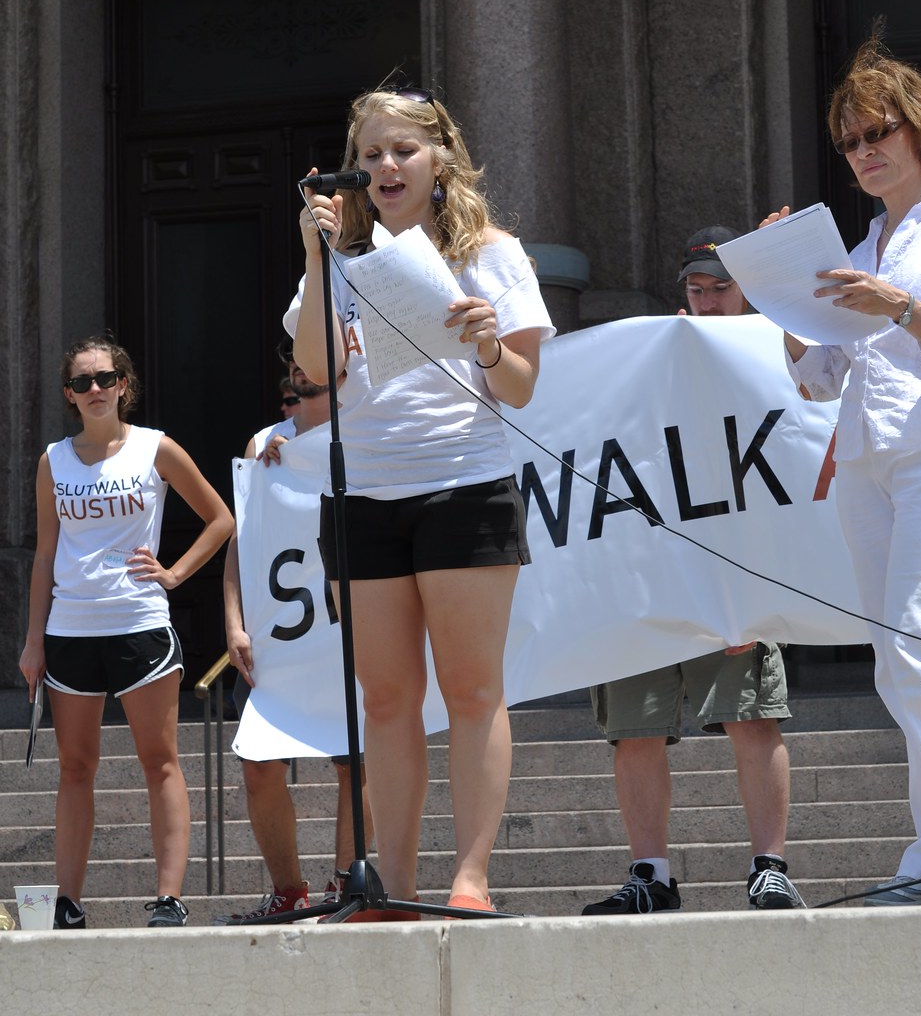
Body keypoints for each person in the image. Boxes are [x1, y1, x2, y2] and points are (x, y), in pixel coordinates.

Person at [286, 86, 554, 919]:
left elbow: (520, 388)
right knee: (387, 699)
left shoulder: (490, 253)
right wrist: (315, 259)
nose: (384, 166)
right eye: (369, 154)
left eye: (401, 149)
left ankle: (469, 878)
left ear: (440, 159)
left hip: (464, 486)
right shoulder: (345, 260)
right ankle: (392, 887)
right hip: (363, 493)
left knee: (472, 691)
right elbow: (319, 372)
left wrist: (483, 343)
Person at [581, 229, 800, 916]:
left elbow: (781, 471)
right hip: (646, 570)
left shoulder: (773, 353)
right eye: (695, 287)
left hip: (733, 568)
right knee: (634, 724)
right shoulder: (651, 348)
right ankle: (650, 874)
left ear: (746, 293)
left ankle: (769, 867)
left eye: (720, 286)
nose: (705, 299)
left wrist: (755, 586)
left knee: (752, 717)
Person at [776, 34, 921, 906]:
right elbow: (818, 376)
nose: (865, 153)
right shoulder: (863, 244)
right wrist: (787, 302)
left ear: (915, 131)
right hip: (869, 458)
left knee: (912, 644)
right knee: (895, 659)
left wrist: (901, 305)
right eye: (850, 142)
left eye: (878, 133)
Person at [18, 335, 234, 929]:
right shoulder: (52, 461)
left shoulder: (154, 448)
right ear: (68, 393)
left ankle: (168, 897)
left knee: (159, 759)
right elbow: (44, 555)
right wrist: (33, 640)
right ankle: (67, 903)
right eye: (82, 382)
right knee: (74, 766)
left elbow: (221, 520)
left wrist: (174, 574)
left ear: (123, 385)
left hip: (138, 623)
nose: (94, 390)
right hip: (70, 628)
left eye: (104, 378)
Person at [217, 342, 373, 923]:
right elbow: (243, 542)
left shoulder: (366, 432)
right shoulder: (262, 444)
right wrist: (233, 622)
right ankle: (288, 889)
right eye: (294, 366)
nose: (301, 372)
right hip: (281, 635)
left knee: (353, 761)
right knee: (259, 764)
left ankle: (347, 884)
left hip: (349, 628)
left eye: (314, 366)